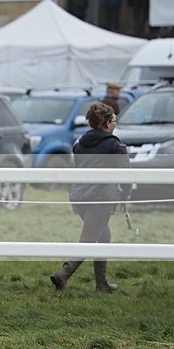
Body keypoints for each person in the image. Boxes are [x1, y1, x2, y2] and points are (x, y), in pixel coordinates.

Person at [50, 102, 130, 293]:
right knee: (89, 238)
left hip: (79, 198)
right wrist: (125, 195)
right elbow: (127, 175)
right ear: (107, 123)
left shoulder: (79, 144)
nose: (115, 125)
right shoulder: (115, 145)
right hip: (100, 199)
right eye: (114, 121)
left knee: (104, 236)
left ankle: (101, 283)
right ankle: (63, 274)